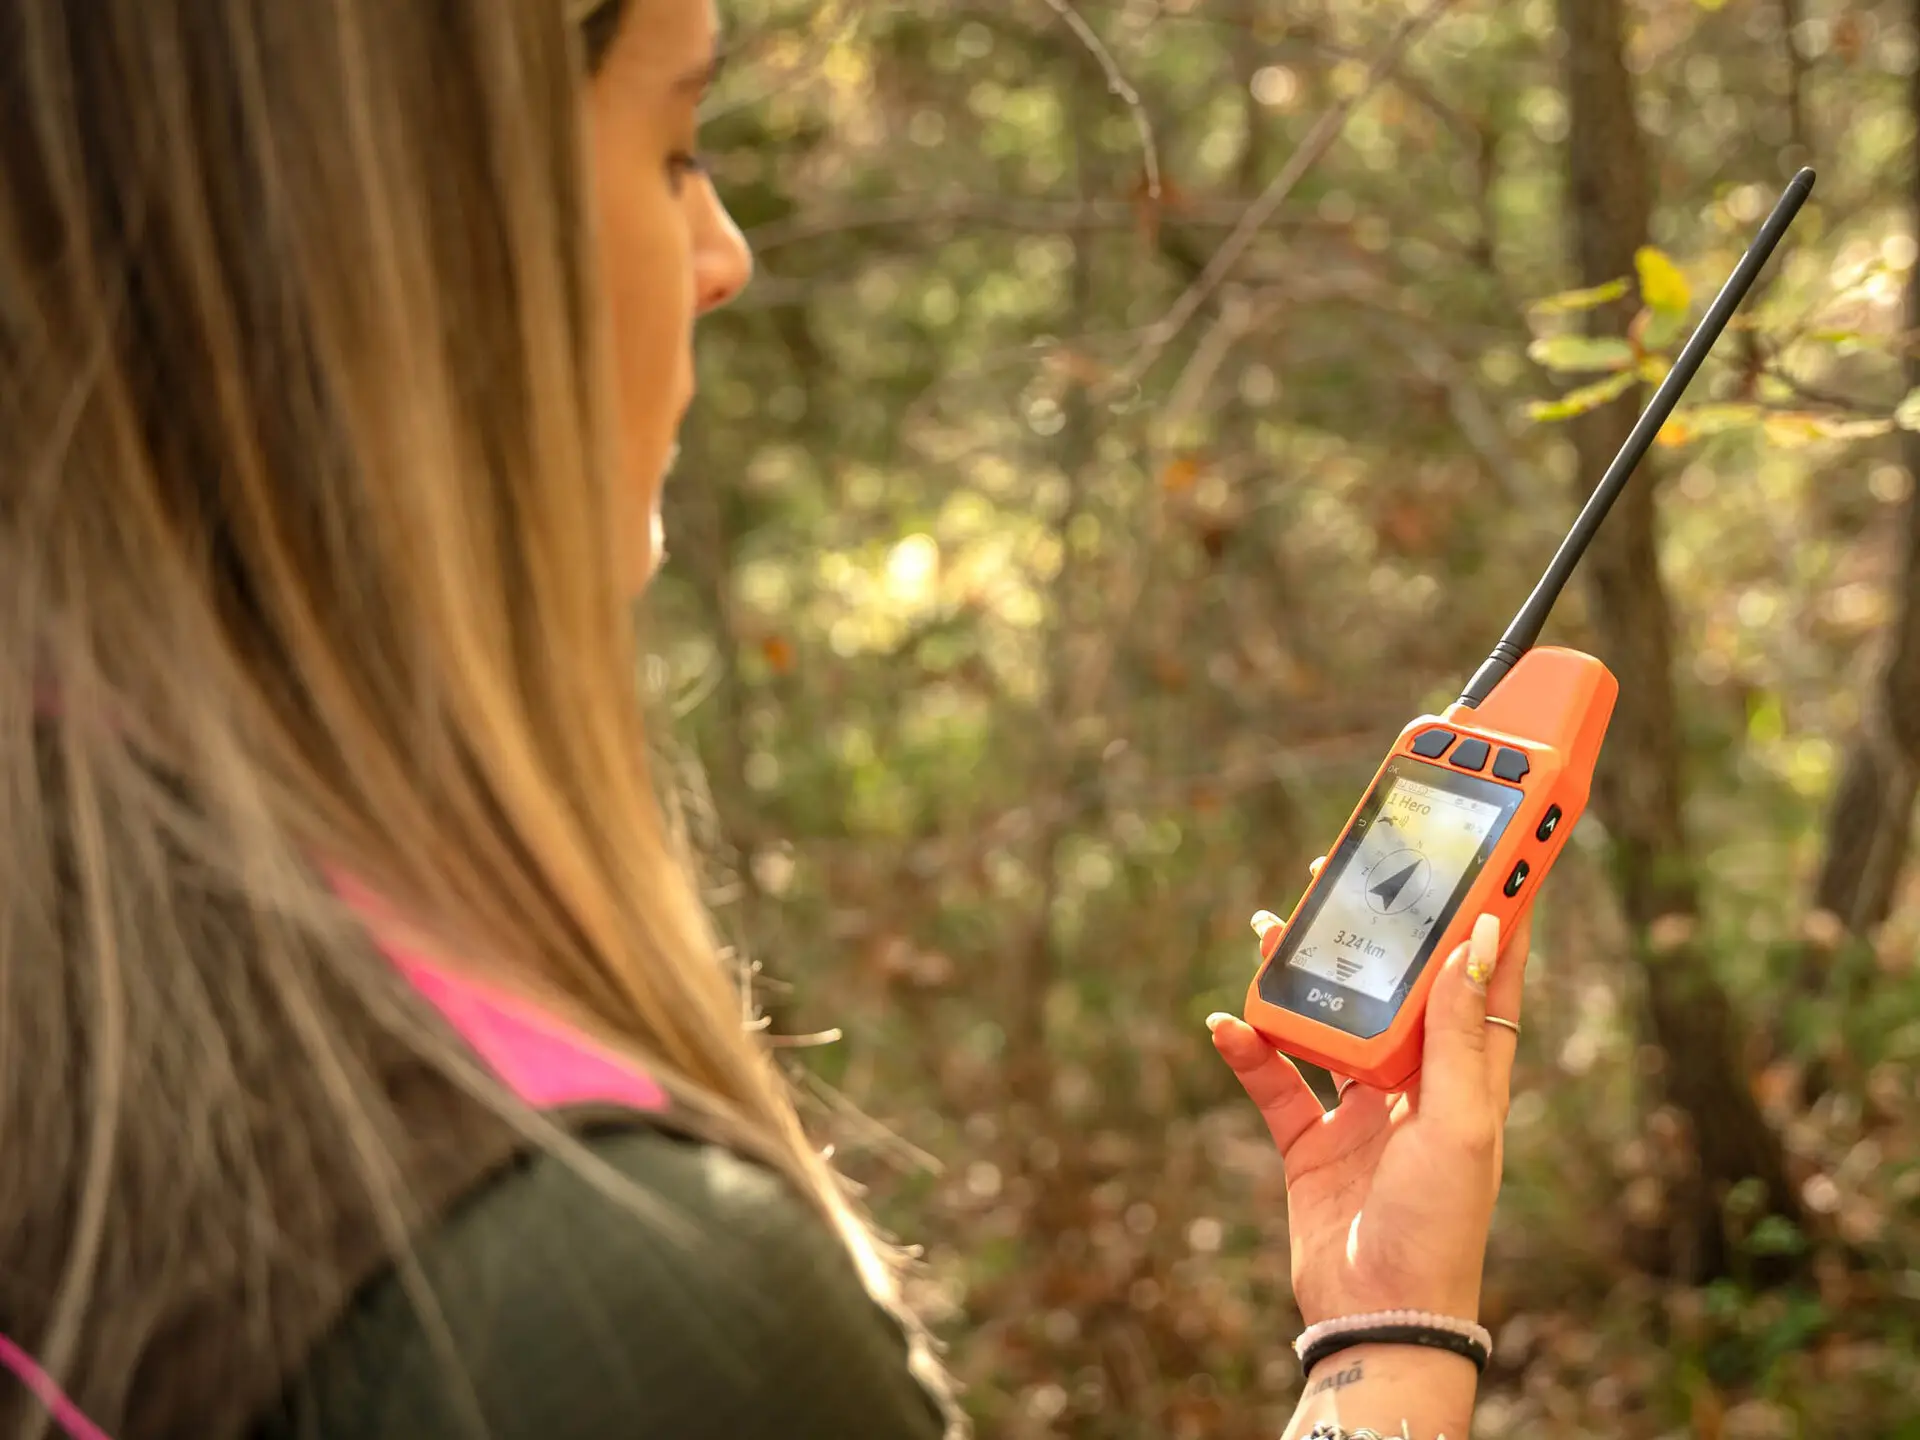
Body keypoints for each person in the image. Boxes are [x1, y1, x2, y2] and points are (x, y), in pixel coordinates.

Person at [0, 0, 1536, 1435]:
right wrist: (1401, 1355)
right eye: (673, 147)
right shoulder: (614, 1310)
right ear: (405, 237)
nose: (723, 253)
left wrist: (1374, 1334)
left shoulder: (80, 937)